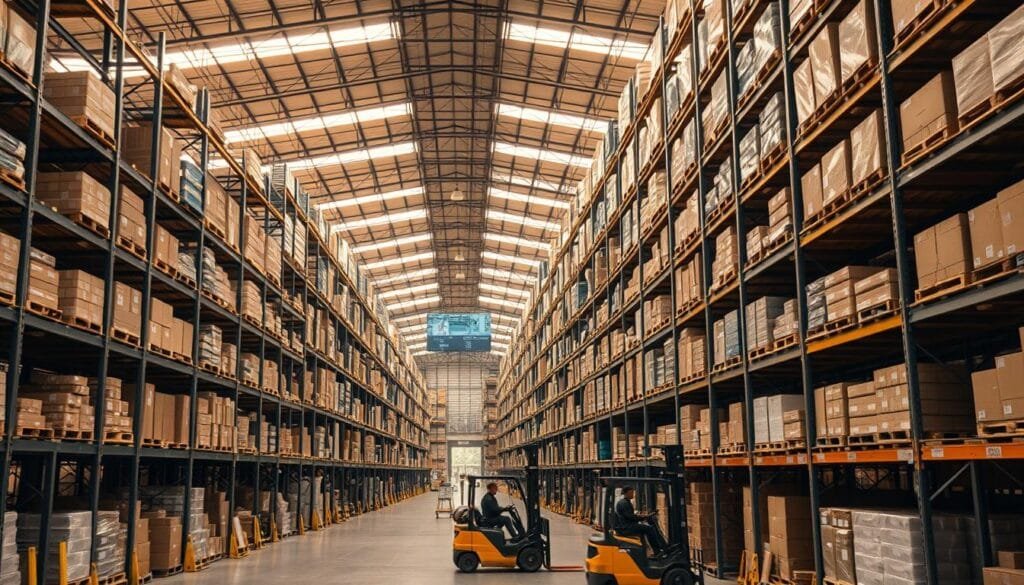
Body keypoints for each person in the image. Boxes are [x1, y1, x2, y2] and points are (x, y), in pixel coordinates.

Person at [615, 486, 667, 555]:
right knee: (649, 529)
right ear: (626, 493)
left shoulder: (625, 502)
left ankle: (652, 550)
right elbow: (630, 517)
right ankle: (657, 551)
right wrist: (643, 517)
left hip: (626, 525)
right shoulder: (624, 503)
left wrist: (642, 516)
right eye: (631, 492)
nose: (633, 494)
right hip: (626, 527)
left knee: (645, 528)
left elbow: (630, 516)